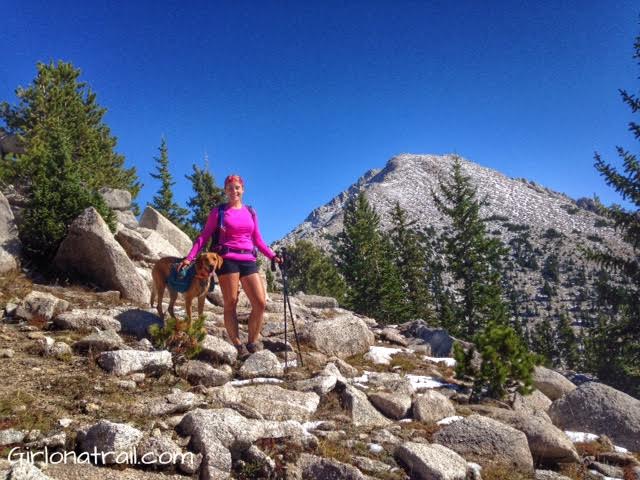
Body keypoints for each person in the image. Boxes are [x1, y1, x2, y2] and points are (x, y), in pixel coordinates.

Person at [178, 174, 280, 360]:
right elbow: (203, 236)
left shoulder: (251, 212)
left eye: (237, 187)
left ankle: (252, 342)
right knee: (231, 303)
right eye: (230, 188)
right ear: (225, 190)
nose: (234, 191)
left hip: (248, 259)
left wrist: (273, 255)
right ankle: (237, 344)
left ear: (243, 189)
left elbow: (257, 239)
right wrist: (190, 257)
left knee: (260, 302)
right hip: (227, 260)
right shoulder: (219, 212)